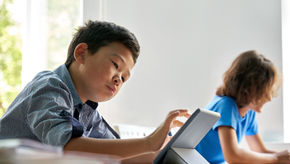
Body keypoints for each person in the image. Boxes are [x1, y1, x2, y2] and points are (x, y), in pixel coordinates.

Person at [0, 20, 190, 163]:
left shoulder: (87, 110)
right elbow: (67, 147)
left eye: (124, 78)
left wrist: (165, 147)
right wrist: (149, 142)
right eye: (116, 65)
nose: (118, 79)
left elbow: (118, 155)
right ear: (81, 53)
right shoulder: (48, 87)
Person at [195, 50, 290, 164]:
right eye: (264, 90)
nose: (269, 98)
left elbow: (260, 151)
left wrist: (282, 158)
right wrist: (276, 158)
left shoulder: (249, 111)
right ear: (247, 87)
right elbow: (233, 156)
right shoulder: (226, 105)